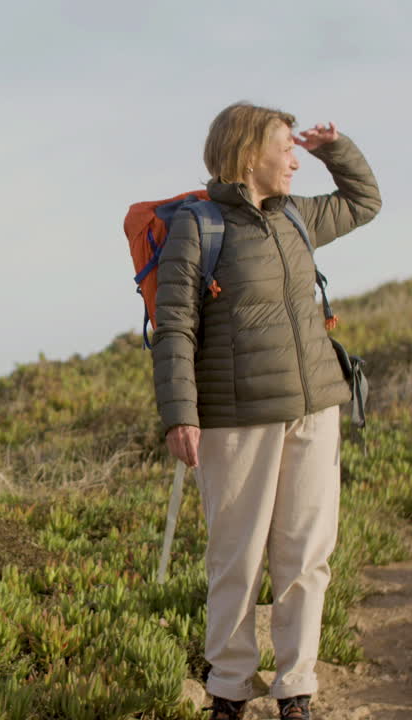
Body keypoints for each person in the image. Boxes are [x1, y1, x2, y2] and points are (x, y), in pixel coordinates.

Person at [150, 102, 381, 720]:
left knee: (307, 554)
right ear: (249, 153)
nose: (295, 158)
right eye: (287, 146)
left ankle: (296, 689)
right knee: (237, 558)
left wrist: (338, 148)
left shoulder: (297, 217)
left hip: (314, 408)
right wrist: (180, 413)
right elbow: (173, 327)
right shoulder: (197, 228)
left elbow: (364, 202)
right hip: (235, 417)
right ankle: (228, 688)